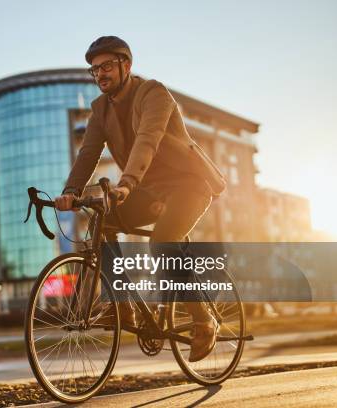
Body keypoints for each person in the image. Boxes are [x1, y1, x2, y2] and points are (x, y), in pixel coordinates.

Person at [54, 36, 226, 362]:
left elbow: (148, 139)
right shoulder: (100, 110)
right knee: (101, 221)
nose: (100, 74)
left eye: (106, 66)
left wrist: (127, 183)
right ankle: (123, 306)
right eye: (94, 70)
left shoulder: (153, 94)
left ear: (126, 65)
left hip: (188, 184)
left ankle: (204, 320)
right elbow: (88, 154)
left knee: (162, 242)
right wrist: (70, 193)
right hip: (147, 190)